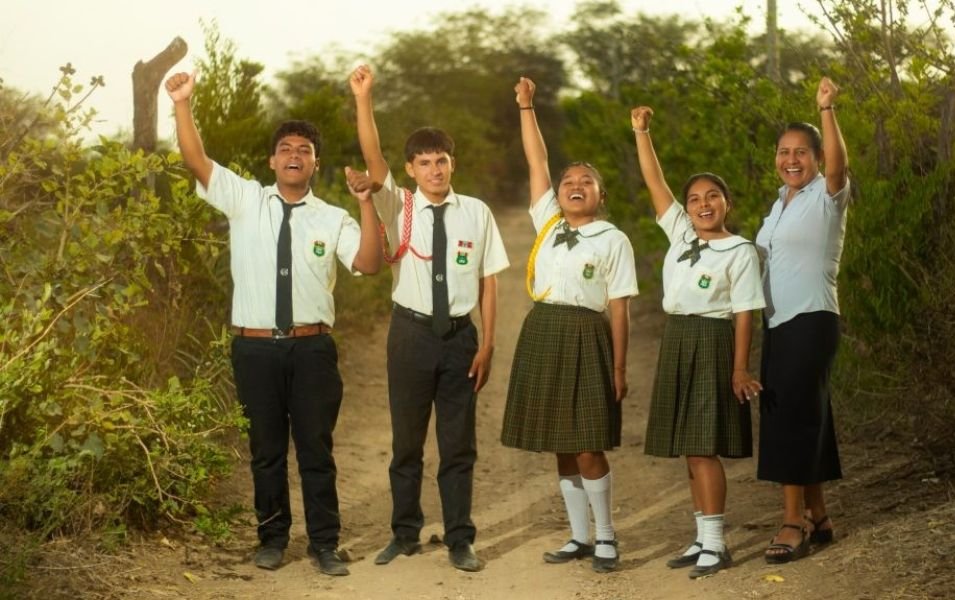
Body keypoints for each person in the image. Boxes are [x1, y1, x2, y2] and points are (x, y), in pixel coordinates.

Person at [163, 71, 383, 577]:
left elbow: (370, 263)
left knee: (315, 450)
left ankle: (325, 544)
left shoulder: (332, 218)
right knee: (265, 451)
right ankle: (272, 538)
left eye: (304, 149)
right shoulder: (245, 200)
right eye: (285, 148)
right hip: (256, 349)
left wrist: (366, 202)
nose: (294, 155)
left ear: (315, 163)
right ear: (271, 160)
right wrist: (182, 104)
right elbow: (196, 160)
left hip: (311, 350)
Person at [348, 64, 509, 573]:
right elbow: (373, 157)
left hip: (461, 337)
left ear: (452, 164)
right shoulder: (400, 205)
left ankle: (460, 537)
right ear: (411, 169)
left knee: (458, 444)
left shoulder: (476, 213)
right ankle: (405, 532)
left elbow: (488, 280)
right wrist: (364, 97)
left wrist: (486, 344)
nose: (435, 170)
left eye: (441, 161)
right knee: (406, 442)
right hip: (411, 334)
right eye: (424, 163)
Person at [500, 77, 637, 574]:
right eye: (568, 182)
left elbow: (619, 307)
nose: (574, 187)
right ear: (558, 194)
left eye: (585, 182)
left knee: (586, 442)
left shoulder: (612, 239)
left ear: (601, 194)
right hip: (543, 331)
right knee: (559, 440)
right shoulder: (549, 224)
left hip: (586, 335)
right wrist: (527, 106)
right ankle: (578, 536)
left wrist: (619, 368)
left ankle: (606, 536)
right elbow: (536, 160)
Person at [630, 106, 765, 578]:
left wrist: (740, 367)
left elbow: (746, 311)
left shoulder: (740, 250)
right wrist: (641, 132)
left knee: (705, 447)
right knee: (690, 446)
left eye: (712, 197)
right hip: (678, 338)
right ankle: (701, 537)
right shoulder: (682, 236)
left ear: (727, 202)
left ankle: (716, 544)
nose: (703, 204)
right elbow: (655, 184)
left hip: (713, 340)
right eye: (694, 199)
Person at [754, 76, 850, 563]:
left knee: (789, 419)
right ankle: (820, 515)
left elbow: (839, 164)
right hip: (779, 324)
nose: (792, 159)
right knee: (804, 416)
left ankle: (792, 523)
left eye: (802, 153)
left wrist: (826, 110)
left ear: (815, 158)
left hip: (812, 320)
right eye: (784, 151)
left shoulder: (826, 196)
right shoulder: (778, 203)